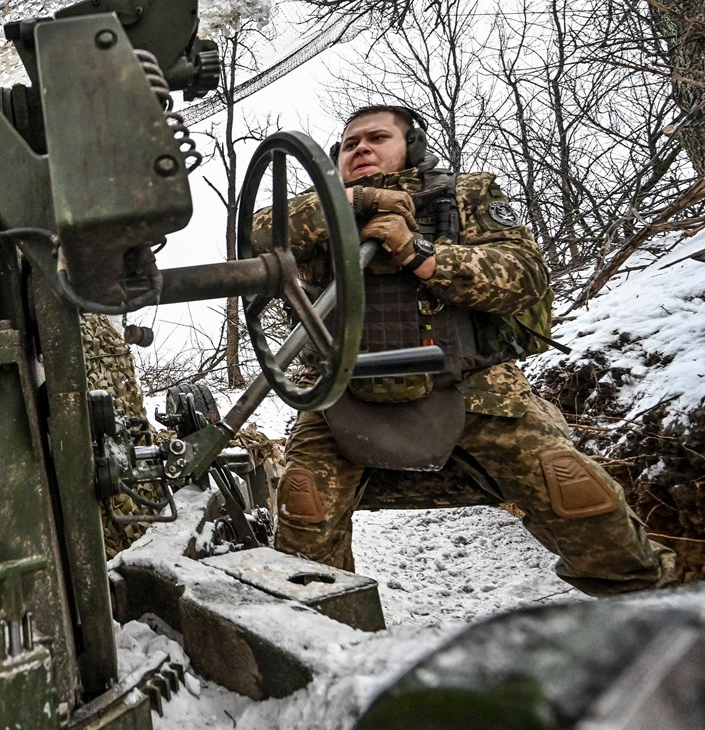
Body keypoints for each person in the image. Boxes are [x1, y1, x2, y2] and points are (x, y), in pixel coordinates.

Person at [253, 104, 674, 596]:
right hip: (339, 398)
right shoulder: (316, 213)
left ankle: (653, 608)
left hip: (475, 387)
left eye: (377, 138)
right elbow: (254, 236)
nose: (361, 148)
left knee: (582, 500)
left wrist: (419, 253)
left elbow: (524, 277)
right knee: (303, 520)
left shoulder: (466, 194)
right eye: (350, 144)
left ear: (412, 146)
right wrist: (352, 201)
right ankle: (323, 630)